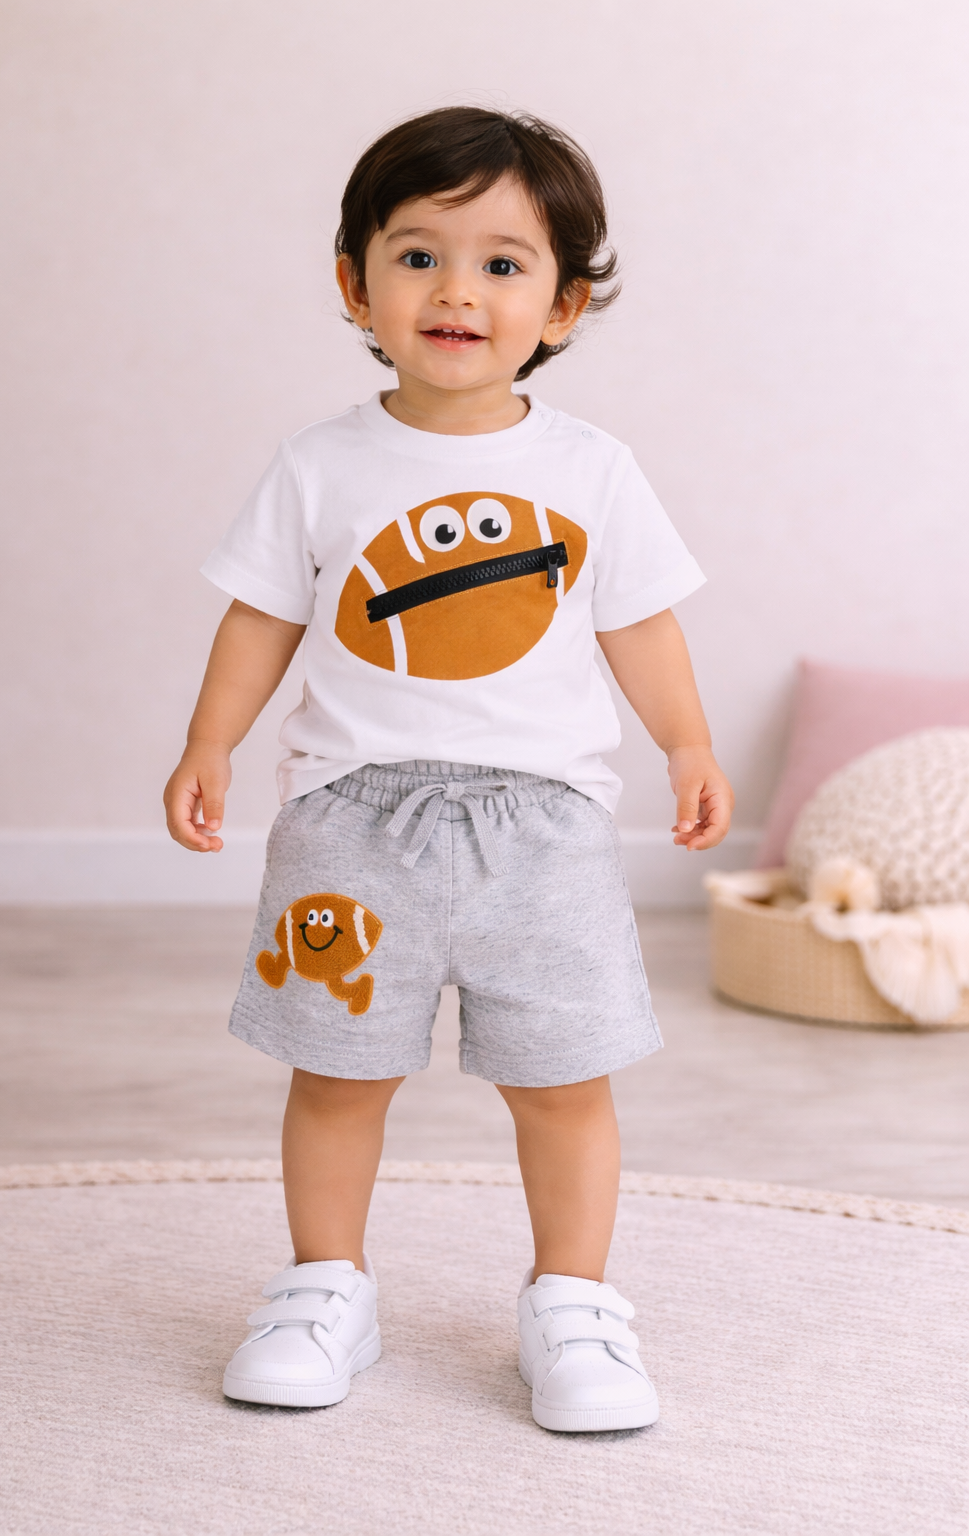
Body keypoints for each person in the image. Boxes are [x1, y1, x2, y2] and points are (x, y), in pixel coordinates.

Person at [163, 106, 732, 1433]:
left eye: (502, 263)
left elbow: (640, 623)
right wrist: (210, 741)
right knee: (335, 1071)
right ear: (355, 284)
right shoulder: (320, 464)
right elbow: (261, 618)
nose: (456, 291)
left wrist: (688, 743)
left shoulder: (591, 470)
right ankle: (324, 1289)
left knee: (563, 1079)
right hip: (350, 820)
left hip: (546, 831)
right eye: (417, 256)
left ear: (564, 304)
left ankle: (572, 1305)